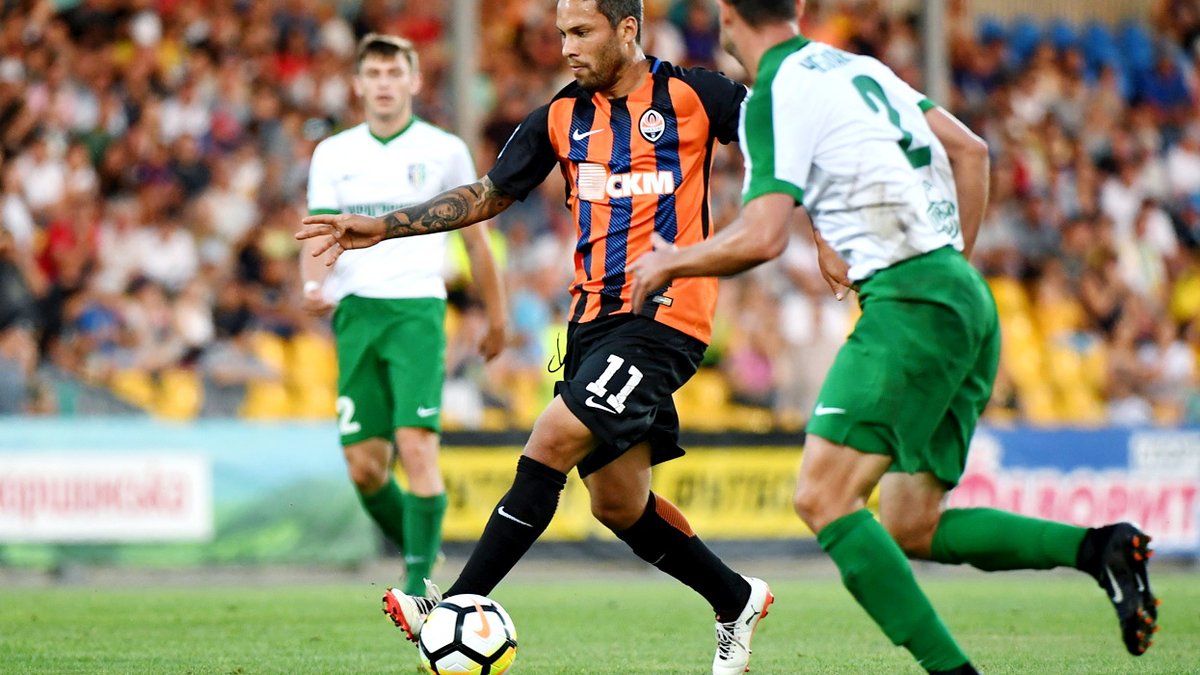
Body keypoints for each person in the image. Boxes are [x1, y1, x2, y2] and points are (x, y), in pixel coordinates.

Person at [626, 1, 1160, 672]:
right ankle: (1100, 548)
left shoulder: (774, 93)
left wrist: (672, 260)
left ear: (728, 14)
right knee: (912, 523)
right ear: (796, 8)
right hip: (962, 294)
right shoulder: (857, 68)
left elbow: (762, 235)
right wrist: (950, 268)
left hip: (908, 300)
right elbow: (972, 151)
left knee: (822, 497)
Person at [297, 3, 772, 673]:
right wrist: (386, 225)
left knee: (549, 440)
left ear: (627, 29)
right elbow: (489, 193)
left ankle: (449, 605)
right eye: (562, 35)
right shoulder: (560, 115)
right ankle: (735, 598)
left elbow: (781, 142)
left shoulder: (696, 94)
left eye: (582, 32)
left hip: (665, 316)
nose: (567, 47)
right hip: (590, 323)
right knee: (618, 503)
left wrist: (805, 229)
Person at [300, 34, 508, 598]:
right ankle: (423, 548)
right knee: (365, 467)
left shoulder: (444, 150)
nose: (384, 84)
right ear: (358, 84)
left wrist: (497, 316)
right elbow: (318, 233)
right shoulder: (333, 153)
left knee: (416, 445)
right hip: (355, 312)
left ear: (414, 81)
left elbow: (478, 240)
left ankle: (418, 586)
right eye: (374, 74)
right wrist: (313, 283)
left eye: (394, 73)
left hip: (417, 308)